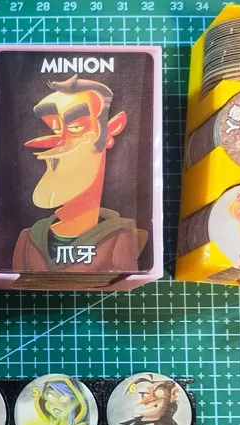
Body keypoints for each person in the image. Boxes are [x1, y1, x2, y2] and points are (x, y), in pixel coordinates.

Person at [13, 75, 147, 275]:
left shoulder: (123, 239)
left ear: (110, 131)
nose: (60, 145)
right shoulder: (28, 240)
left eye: (76, 128)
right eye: (55, 129)